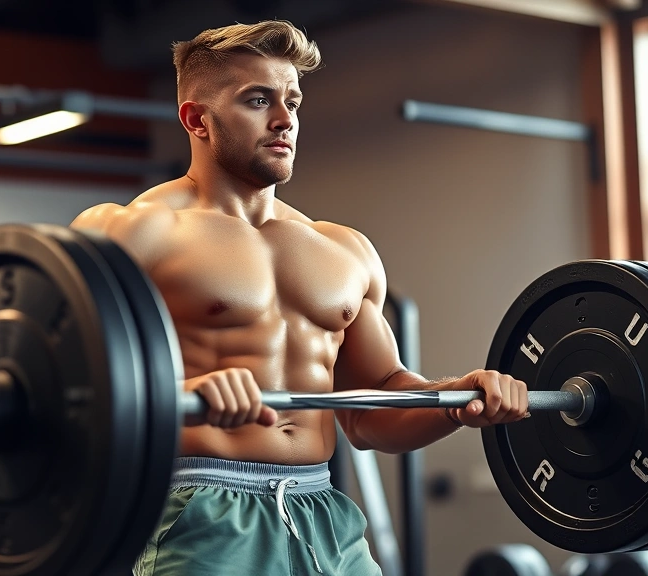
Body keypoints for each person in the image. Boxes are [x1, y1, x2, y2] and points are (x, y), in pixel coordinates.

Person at [71, 20, 529, 576]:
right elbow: (70, 391)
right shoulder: (130, 233)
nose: (285, 119)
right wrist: (184, 393)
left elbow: (373, 407)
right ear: (197, 120)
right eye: (258, 100)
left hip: (323, 511)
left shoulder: (343, 249)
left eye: (293, 101)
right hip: (196, 507)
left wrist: (455, 400)